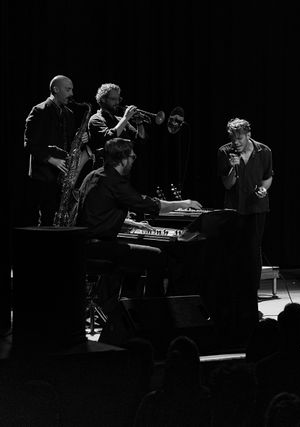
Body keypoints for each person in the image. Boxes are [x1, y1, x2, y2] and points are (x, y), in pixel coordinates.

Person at [77, 138, 202, 313]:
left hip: (82, 245)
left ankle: (127, 309)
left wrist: (133, 223)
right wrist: (184, 203)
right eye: (132, 157)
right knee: (157, 256)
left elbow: (97, 215)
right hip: (98, 248)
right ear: (123, 159)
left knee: (135, 262)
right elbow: (152, 206)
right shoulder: (115, 182)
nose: (134, 159)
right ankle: (154, 312)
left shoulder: (93, 176)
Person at [216, 118, 273, 341]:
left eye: (239, 138)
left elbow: (267, 178)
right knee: (233, 255)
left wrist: (263, 190)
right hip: (234, 210)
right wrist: (233, 167)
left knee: (252, 254)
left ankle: (251, 301)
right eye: (233, 138)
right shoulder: (224, 152)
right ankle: (233, 304)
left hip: (257, 209)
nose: (236, 142)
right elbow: (227, 184)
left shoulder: (264, 151)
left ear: (248, 134)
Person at [23, 75, 88, 226]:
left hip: (62, 174)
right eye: (68, 89)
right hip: (43, 175)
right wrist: (51, 159)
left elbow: (70, 142)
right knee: (44, 219)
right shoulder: (39, 110)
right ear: (56, 89)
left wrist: (81, 138)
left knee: (57, 218)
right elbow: (29, 144)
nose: (72, 94)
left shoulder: (69, 113)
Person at [88, 83, 146, 168]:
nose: (117, 102)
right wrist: (126, 118)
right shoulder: (96, 119)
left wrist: (139, 123)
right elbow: (110, 138)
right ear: (103, 99)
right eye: (113, 99)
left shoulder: (120, 120)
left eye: (118, 99)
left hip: (122, 168)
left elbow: (140, 141)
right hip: (105, 169)